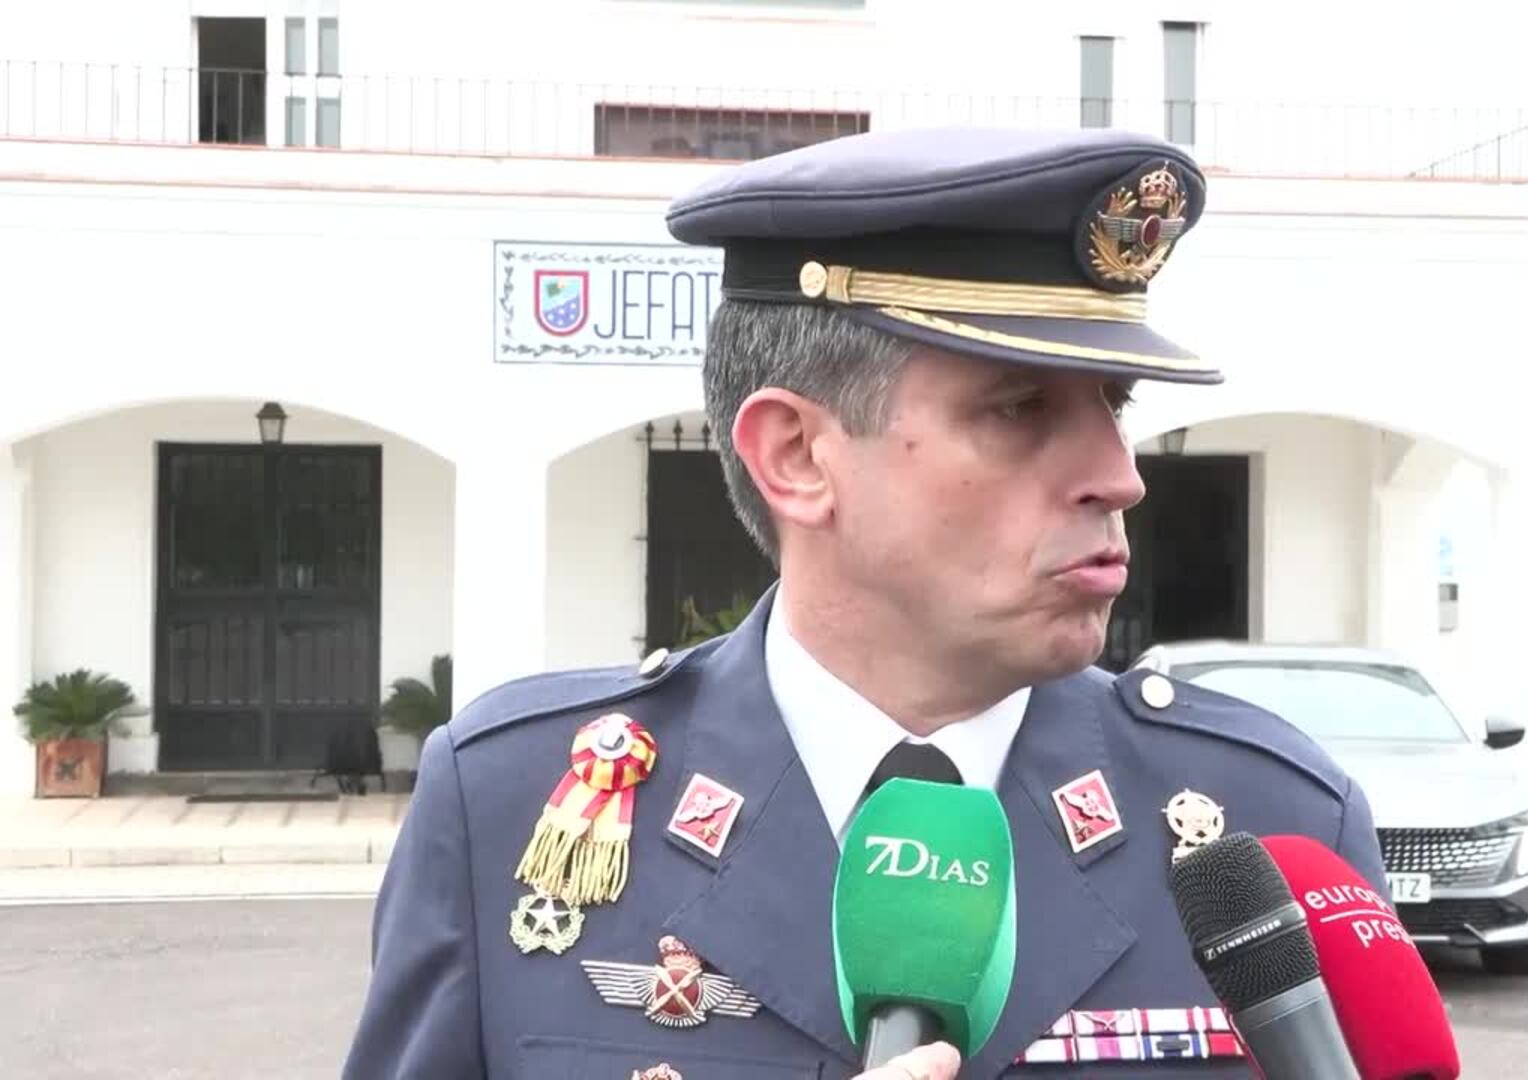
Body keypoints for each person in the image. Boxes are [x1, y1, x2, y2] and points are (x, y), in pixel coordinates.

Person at [342, 126, 1388, 1079]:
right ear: (797, 456)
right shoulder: (516, 807)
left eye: (1113, 404)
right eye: (1019, 409)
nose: (1120, 476)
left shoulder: (1268, 831)